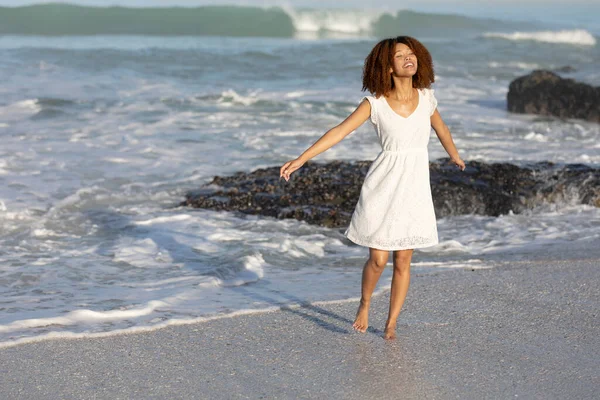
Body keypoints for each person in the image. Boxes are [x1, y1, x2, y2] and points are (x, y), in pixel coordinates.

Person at [279, 36, 465, 340]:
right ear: (387, 67)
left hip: (414, 187)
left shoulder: (427, 98)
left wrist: (454, 155)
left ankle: (391, 323)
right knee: (378, 259)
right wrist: (302, 159)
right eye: (400, 55)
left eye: (411, 54)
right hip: (383, 184)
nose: (409, 58)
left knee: (403, 260)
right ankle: (365, 303)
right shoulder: (375, 103)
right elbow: (339, 131)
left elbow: (440, 128)